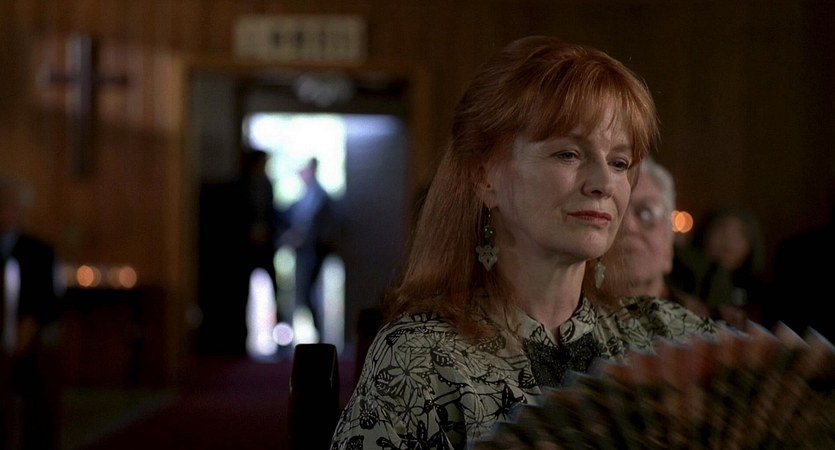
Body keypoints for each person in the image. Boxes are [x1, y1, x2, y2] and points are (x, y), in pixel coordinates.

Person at [330, 36, 728, 449]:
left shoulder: (667, 337)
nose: (604, 183)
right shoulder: (422, 358)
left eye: (619, 162)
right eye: (568, 154)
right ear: (484, 176)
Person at [613, 156, 736, 322]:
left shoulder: (713, 326)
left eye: (646, 213)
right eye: (615, 212)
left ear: (669, 247)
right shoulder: (577, 324)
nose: (629, 226)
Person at [0, 172, 64, 449]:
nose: (6, 211)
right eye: (3, 203)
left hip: (28, 342)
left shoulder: (39, 251)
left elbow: (50, 303)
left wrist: (28, 325)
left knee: (41, 377)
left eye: (12, 205)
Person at [280, 157, 340, 342]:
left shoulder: (318, 195)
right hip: (306, 252)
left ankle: (319, 335)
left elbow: (312, 226)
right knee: (304, 294)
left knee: (308, 293)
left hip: (312, 252)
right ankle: (313, 335)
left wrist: (298, 237)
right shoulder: (308, 194)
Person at [688, 203, 768, 330]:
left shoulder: (759, 292)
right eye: (721, 229)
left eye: (740, 233)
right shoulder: (684, 277)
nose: (728, 239)